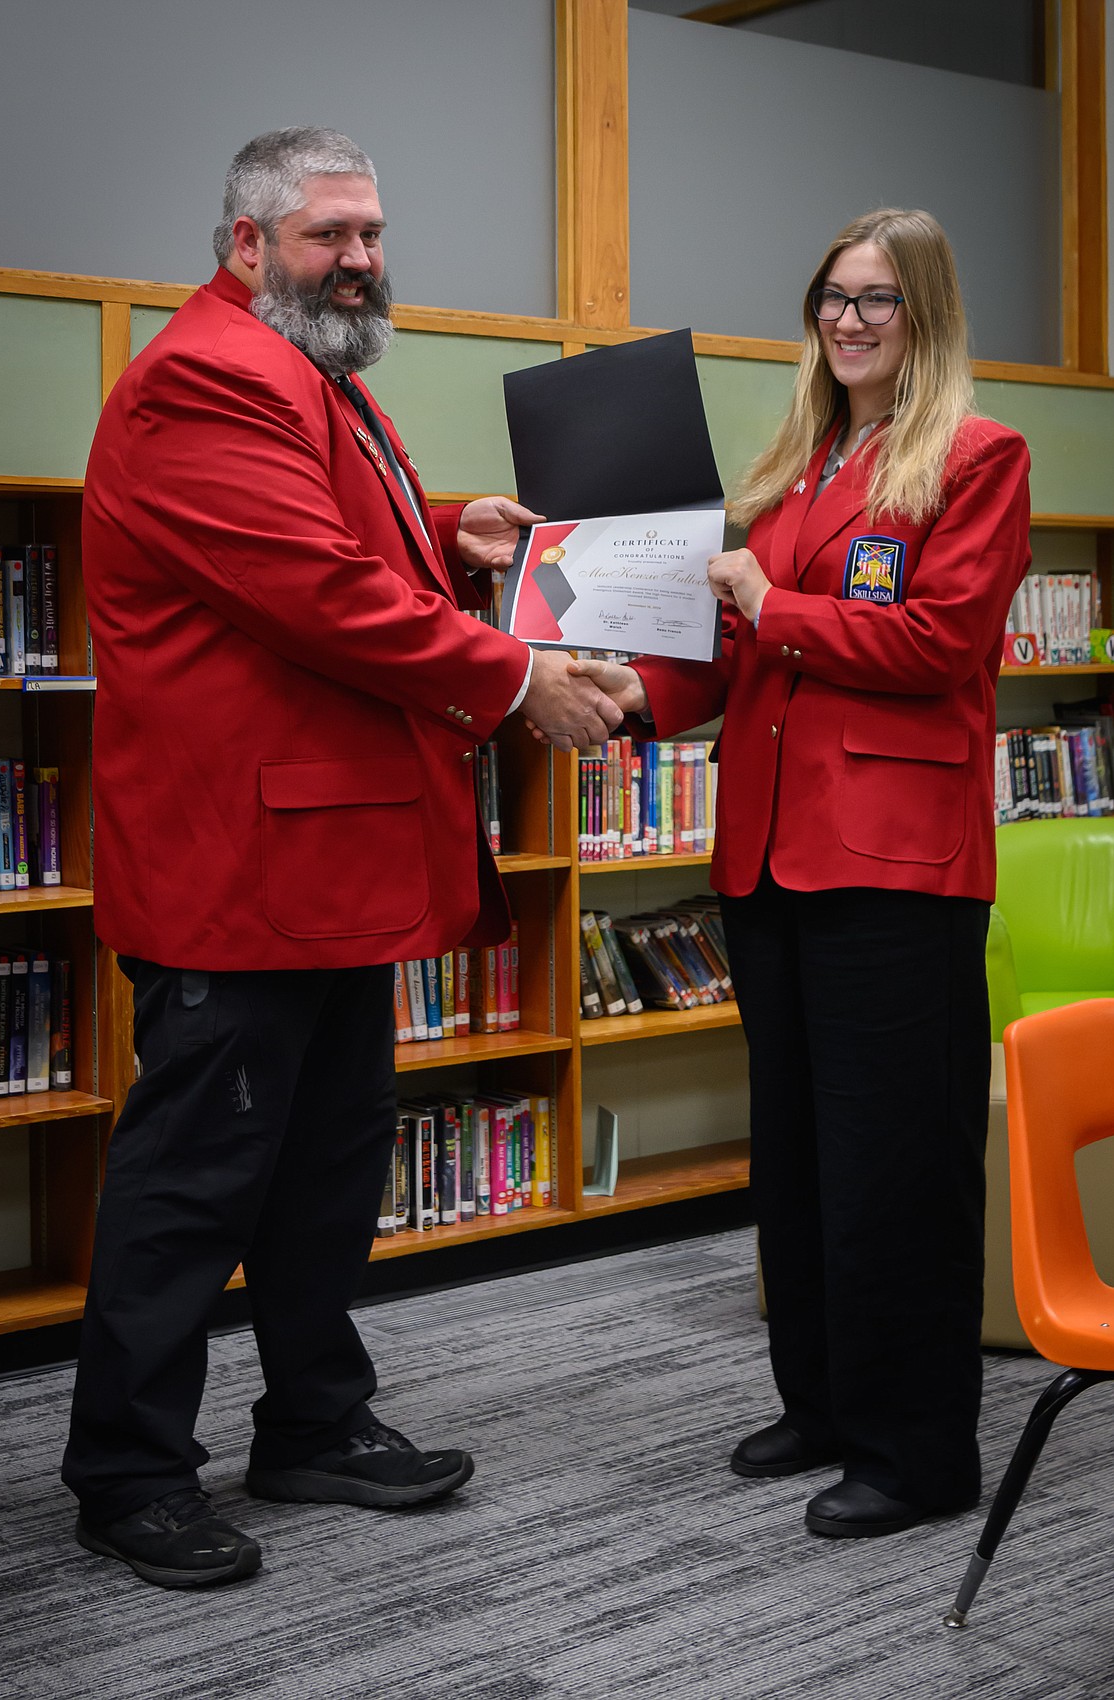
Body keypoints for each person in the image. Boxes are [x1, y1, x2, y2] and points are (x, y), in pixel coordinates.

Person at [62, 126, 622, 1589]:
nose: (361, 259)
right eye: (328, 236)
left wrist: (454, 532)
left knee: (325, 1166)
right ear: (244, 244)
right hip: (238, 871)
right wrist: (513, 680)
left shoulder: (305, 368)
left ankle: (313, 1419)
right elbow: (310, 592)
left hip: (319, 867)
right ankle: (128, 1472)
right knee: (195, 1184)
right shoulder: (203, 374)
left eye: (370, 232)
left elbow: (346, 552)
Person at [570, 209, 1031, 1538]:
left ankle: (917, 1451)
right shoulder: (795, 467)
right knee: (802, 1156)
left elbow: (936, 646)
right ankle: (822, 1402)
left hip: (895, 865)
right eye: (831, 296)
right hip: (768, 857)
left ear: (924, 313)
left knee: (895, 1164)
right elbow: (727, 662)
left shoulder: (974, 457)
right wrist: (627, 696)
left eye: (877, 300)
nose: (846, 321)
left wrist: (771, 606)